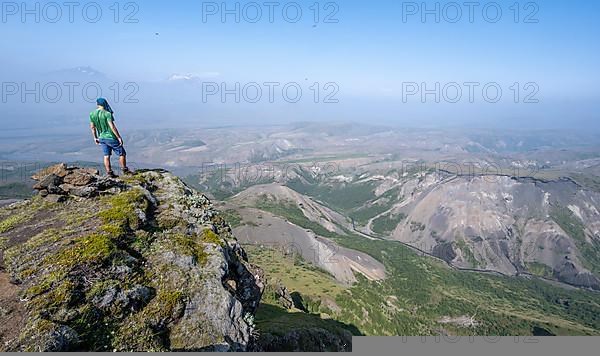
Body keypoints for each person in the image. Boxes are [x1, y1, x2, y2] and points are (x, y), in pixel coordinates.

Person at [90, 98, 131, 177]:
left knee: (106, 155)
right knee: (122, 153)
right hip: (111, 137)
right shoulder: (107, 114)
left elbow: (92, 127)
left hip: (101, 137)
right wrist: (119, 137)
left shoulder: (92, 114)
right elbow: (112, 127)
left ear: (97, 104)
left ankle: (109, 173)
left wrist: (95, 137)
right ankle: (125, 170)